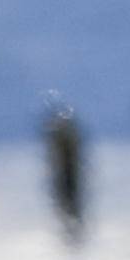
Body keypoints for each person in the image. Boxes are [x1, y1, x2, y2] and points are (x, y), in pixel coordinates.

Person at [42, 95, 88, 245]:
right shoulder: (66, 136)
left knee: (68, 201)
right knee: (66, 201)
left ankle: (73, 229)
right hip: (65, 175)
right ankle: (71, 229)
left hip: (68, 175)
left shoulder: (62, 137)